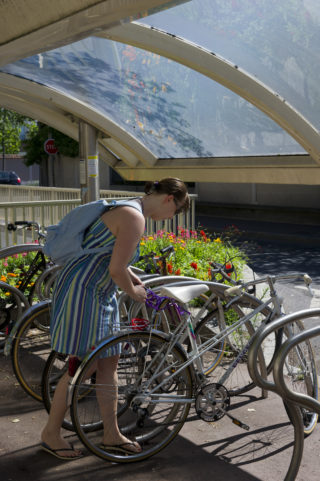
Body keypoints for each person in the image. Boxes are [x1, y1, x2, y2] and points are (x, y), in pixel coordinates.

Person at [40, 177, 190, 460]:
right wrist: (136, 293)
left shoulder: (129, 207)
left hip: (94, 291)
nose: (171, 217)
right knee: (81, 366)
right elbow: (116, 269)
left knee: (108, 364)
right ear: (169, 198)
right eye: (176, 210)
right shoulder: (135, 217)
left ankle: (111, 434)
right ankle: (51, 433)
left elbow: (109, 255)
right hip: (84, 292)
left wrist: (133, 281)